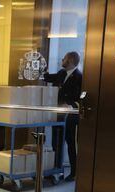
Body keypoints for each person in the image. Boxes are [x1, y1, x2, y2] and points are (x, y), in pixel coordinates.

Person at [44, 51, 82, 182]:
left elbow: (81, 98)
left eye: (64, 58)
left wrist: (70, 104)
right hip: (58, 114)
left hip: (71, 117)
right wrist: (42, 69)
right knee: (57, 142)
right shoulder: (61, 73)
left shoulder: (80, 77)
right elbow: (48, 78)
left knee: (71, 143)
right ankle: (56, 169)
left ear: (70, 61)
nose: (62, 60)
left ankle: (74, 172)